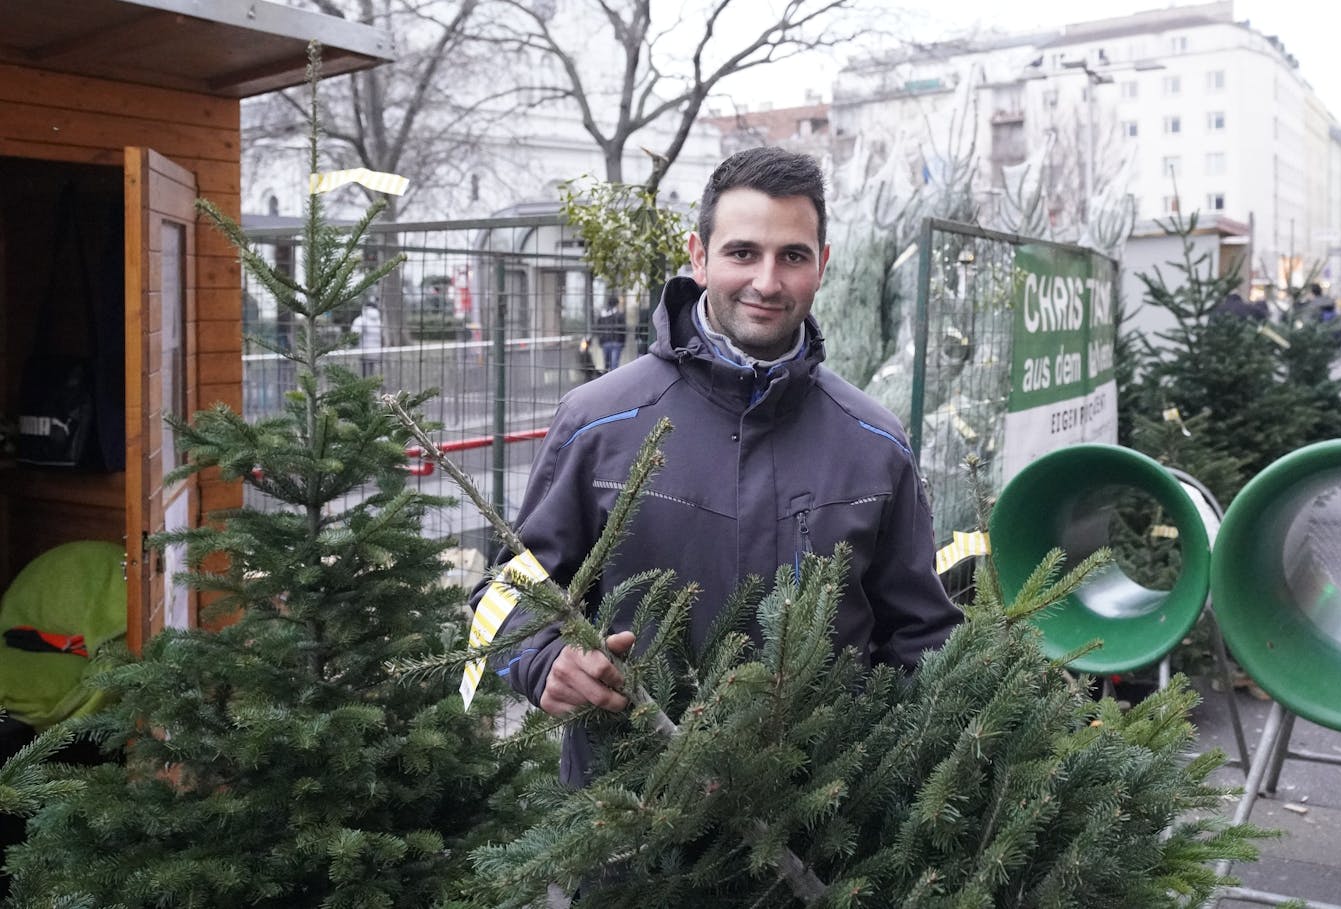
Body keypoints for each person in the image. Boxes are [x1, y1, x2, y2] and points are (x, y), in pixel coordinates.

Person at [482, 147, 962, 786]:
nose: (767, 281)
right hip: (630, 820)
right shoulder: (597, 422)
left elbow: (921, 637)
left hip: (822, 837)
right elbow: (502, 596)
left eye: (792, 256)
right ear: (699, 256)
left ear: (822, 267)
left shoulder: (873, 443)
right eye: (742, 253)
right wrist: (542, 661)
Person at [595, 295, 627, 371]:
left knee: (607, 365)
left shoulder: (602, 315)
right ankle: (614, 382)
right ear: (617, 304)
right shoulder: (619, 315)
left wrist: (600, 341)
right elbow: (623, 329)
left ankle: (606, 381)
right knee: (614, 366)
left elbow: (598, 329)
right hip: (617, 342)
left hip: (605, 342)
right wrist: (623, 342)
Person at [350, 301, 382, 377]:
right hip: (376, 350)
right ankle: (371, 383)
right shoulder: (378, 320)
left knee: (364, 370)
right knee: (371, 369)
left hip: (364, 350)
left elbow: (354, 335)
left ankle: (365, 384)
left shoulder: (360, 320)